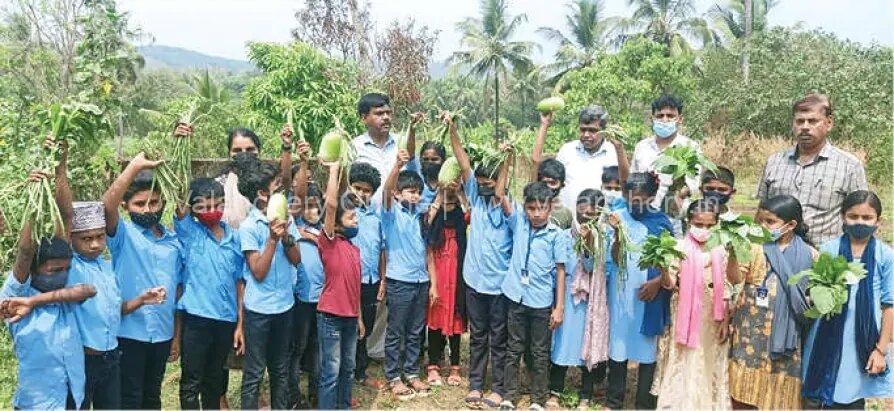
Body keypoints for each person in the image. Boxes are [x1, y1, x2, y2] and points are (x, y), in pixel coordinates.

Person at [102, 151, 184, 410]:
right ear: (126, 206)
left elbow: (177, 293)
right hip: (129, 332)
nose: (148, 210)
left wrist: (176, 336)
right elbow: (104, 208)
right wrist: (134, 167)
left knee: (152, 396)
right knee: (130, 397)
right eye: (139, 204)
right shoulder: (123, 236)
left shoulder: (173, 242)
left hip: (162, 333)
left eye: (154, 202)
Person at [443, 113, 513, 408]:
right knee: (478, 336)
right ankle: (475, 384)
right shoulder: (476, 198)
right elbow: (462, 161)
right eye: (482, 182)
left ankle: (497, 388)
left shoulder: (510, 209)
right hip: (474, 280)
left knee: (499, 339)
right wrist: (452, 128)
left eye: (491, 182)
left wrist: (508, 160)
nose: (485, 187)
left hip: (499, 286)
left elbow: (501, 187)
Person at [496, 141, 570, 410]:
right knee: (513, 348)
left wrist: (559, 307)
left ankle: (538, 399)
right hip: (516, 296)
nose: (536, 214)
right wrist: (507, 159)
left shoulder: (557, 235)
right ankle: (509, 396)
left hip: (540, 302)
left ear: (550, 209)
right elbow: (500, 191)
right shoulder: (518, 222)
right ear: (524, 208)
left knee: (539, 352)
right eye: (531, 208)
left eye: (541, 209)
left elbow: (561, 270)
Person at [801, 190, 893, 408]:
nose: (860, 222)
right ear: (843, 217)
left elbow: (889, 305)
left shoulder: (885, 255)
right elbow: (815, 291)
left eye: (867, 217)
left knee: (851, 395)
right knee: (815, 394)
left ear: (878, 221)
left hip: (861, 337)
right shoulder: (828, 250)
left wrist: (880, 350)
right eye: (853, 216)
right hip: (825, 332)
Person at [728, 195, 815, 409]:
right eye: (761, 220)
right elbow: (735, 278)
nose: (763, 226)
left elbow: (816, 296)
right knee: (744, 395)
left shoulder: (811, 256)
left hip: (787, 340)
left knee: (780, 397)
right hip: (751, 336)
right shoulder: (753, 246)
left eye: (770, 222)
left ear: (791, 225)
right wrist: (732, 255)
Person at [651, 200, 740, 410]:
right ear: (689, 221)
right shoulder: (678, 247)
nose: (704, 230)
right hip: (684, 314)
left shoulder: (722, 249)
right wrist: (664, 269)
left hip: (713, 316)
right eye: (699, 224)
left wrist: (725, 322)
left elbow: (731, 283)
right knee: (684, 358)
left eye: (710, 226)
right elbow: (670, 284)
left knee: (709, 359)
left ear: (717, 224)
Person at [757, 93, 868, 246]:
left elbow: (860, 217)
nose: (805, 127)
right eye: (800, 121)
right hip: (776, 256)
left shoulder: (849, 166)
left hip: (824, 259)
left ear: (829, 123)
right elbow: (761, 212)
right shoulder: (774, 162)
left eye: (813, 121)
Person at [174, 177, 244, 410]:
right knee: (191, 381)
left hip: (225, 320)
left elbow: (239, 283)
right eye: (203, 207)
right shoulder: (190, 232)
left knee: (214, 380)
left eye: (217, 205)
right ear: (193, 210)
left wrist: (239, 324)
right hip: (196, 319)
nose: (212, 211)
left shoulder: (235, 238)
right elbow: (179, 198)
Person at [237, 158, 301, 410]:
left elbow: (296, 260)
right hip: (259, 312)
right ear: (263, 194)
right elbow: (259, 272)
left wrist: (285, 236)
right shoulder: (249, 227)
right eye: (277, 186)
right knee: (254, 371)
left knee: (280, 369)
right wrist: (272, 240)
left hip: (284, 307)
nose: (283, 192)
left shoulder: (286, 220)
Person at [603, 173, 668, 410]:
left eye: (640, 199)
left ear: (652, 197)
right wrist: (618, 234)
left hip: (648, 293)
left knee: (646, 347)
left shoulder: (661, 221)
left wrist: (658, 281)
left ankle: (643, 402)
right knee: (618, 343)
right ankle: (614, 399)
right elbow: (615, 257)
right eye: (630, 199)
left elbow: (669, 259)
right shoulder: (617, 218)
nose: (634, 204)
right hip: (621, 292)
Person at [548, 189, 609, 410]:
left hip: (590, 302)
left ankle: (586, 395)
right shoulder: (564, 236)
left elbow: (592, 266)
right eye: (583, 214)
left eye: (592, 216)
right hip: (566, 299)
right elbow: (558, 269)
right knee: (561, 345)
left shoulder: (602, 240)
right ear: (576, 210)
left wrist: (588, 243)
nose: (586, 219)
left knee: (588, 346)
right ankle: (555, 391)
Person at [381, 148, 433, 400]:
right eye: (410, 191)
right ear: (398, 193)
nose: (415, 195)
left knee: (415, 331)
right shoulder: (391, 215)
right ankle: (392, 375)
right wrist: (396, 166)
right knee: (396, 331)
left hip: (421, 281)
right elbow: (384, 193)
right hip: (399, 281)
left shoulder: (421, 216)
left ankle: (411, 373)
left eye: (417, 192)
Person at [316, 161, 365, 409]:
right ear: (335, 224)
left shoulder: (354, 249)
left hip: (350, 317)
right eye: (351, 216)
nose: (356, 219)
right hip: (331, 317)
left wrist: (359, 317)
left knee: (348, 369)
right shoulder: (329, 242)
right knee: (331, 373)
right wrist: (334, 172)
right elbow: (332, 205)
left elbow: (354, 287)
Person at [534, 106, 627, 214]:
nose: (586, 135)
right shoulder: (567, 150)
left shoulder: (614, 152)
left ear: (603, 131)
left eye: (592, 130)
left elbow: (626, 183)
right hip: (567, 221)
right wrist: (544, 125)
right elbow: (543, 171)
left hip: (602, 222)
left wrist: (620, 149)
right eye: (583, 130)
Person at [423, 182, 470, 387]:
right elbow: (426, 223)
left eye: (452, 202)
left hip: (457, 278)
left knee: (456, 318)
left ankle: (455, 366)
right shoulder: (433, 222)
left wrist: (459, 193)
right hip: (438, 278)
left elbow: (472, 213)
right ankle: (433, 365)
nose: (448, 205)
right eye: (445, 201)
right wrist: (439, 198)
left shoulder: (462, 220)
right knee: (435, 319)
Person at [289, 141, 324, 408]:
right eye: (308, 206)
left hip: (323, 300)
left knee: (317, 349)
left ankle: (316, 392)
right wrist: (303, 162)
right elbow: (298, 198)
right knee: (296, 349)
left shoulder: (325, 230)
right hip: (300, 298)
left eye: (317, 206)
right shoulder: (295, 224)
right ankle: (293, 395)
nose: (312, 211)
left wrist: (313, 238)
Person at [631, 94, 702, 221]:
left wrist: (679, 194)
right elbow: (633, 179)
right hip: (644, 215)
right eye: (660, 116)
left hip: (676, 216)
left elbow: (694, 182)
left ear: (679, 119)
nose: (665, 120)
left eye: (670, 116)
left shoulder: (690, 147)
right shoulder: (641, 147)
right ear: (652, 118)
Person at [347, 162, 386, 389]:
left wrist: (383, 278)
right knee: (351, 326)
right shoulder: (346, 214)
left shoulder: (376, 217)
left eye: (366, 190)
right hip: (350, 282)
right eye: (357, 187)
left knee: (366, 327)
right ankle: (347, 370)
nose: (361, 193)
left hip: (371, 280)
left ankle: (360, 370)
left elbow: (381, 249)